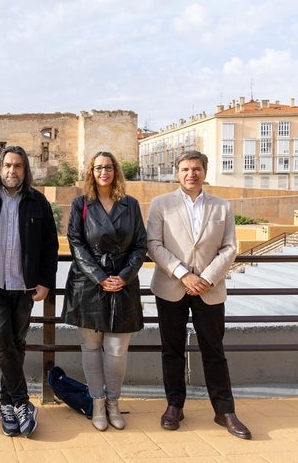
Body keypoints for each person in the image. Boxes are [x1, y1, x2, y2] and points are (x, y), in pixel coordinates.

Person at [147, 150, 252, 440]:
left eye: (196, 169)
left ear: (205, 172)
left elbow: (230, 247)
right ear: (176, 173)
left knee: (214, 350)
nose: (190, 174)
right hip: (171, 287)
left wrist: (205, 278)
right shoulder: (160, 204)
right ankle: (174, 406)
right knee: (172, 349)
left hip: (210, 288)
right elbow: (153, 244)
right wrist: (183, 274)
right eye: (185, 169)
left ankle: (224, 410)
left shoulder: (222, 207)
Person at [0, 145, 59, 437]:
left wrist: (45, 282)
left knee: (16, 343)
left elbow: (49, 246)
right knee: (2, 338)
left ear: (25, 170)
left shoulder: (37, 202)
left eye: (17, 166)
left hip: (25, 287)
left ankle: (7, 404)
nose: (12, 171)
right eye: (7, 165)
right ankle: (22, 402)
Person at [62, 151, 147, 431]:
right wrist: (100, 277)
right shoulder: (81, 204)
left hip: (123, 283)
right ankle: (97, 401)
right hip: (89, 283)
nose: (103, 172)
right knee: (91, 346)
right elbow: (76, 243)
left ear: (115, 171)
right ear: (91, 171)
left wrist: (123, 277)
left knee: (117, 349)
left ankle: (113, 402)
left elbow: (140, 245)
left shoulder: (130, 204)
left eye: (108, 167)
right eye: (98, 167)